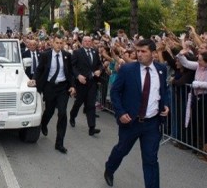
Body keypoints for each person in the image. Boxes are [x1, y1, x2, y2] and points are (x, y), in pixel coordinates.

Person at [104, 39, 169, 188]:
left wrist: (166, 105)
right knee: (122, 150)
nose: (139, 54)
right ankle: (109, 168)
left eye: (143, 51)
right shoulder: (128, 69)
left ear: (153, 53)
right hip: (130, 122)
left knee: (150, 159)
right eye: (137, 51)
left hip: (152, 123)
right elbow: (115, 92)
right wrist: (120, 113)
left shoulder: (161, 69)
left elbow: (164, 91)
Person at [27, 35, 75, 153]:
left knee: (62, 113)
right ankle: (44, 123)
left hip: (63, 88)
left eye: (61, 43)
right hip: (49, 87)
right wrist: (34, 79)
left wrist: (73, 86)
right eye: (57, 43)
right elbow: (39, 69)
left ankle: (59, 143)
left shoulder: (67, 56)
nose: (59, 45)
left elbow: (70, 72)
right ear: (52, 43)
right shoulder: (45, 55)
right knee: (49, 111)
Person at [69, 36, 102, 136]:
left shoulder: (95, 52)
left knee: (90, 105)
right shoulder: (77, 52)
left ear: (91, 42)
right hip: (81, 83)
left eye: (89, 41)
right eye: (85, 41)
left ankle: (91, 127)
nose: (87, 43)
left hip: (92, 83)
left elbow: (100, 64)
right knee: (78, 102)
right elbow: (72, 66)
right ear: (82, 42)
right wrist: (78, 76)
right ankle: (72, 116)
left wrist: (99, 70)